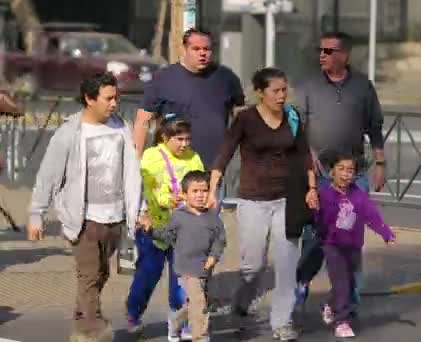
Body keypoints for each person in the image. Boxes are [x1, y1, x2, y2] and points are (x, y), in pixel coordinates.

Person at [26, 72, 143, 340]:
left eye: (116, 97)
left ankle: (81, 324)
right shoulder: (69, 132)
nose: (114, 103)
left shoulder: (120, 127)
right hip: (84, 219)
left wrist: (139, 209)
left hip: (116, 217)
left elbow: (131, 172)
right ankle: (94, 328)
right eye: (108, 98)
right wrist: (37, 213)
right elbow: (48, 175)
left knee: (101, 274)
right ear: (90, 99)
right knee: (88, 276)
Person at [207, 67, 317, 341]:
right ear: (260, 93)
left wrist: (312, 188)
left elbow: (304, 155)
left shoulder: (292, 116)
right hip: (253, 200)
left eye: (284, 90)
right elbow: (224, 153)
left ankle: (281, 322)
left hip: (287, 200)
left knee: (286, 264)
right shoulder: (245, 119)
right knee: (253, 265)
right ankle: (242, 300)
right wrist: (212, 188)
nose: (281, 96)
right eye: (275, 91)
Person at [294, 31, 386, 307]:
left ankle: (348, 293)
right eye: (320, 50)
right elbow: (298, 129)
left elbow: (375, 128)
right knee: (316, 235)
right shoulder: (308, 86)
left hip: (354, 174)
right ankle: (302, 278)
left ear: (344, 55)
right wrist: (309, 162)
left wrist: (380, 163)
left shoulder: (362, 86)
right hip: (319, 175)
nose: (322, 55)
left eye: (329, 51)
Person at [132, 28, 244, 206]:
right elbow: (142, 122)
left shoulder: (225, 78)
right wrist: (135, 161)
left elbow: (241, 119)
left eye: (206, 49)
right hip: (174, 170)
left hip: (213, 169)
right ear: (184, 49)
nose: (202, 54)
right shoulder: (163, 79)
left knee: (208, 226)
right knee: (176, 227)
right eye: (196, 49)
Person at [125, 114, 205, 341]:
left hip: (184, 230)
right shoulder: (151, 157)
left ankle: (179, 322)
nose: (185, 144)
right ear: (164, 137)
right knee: (148, 275)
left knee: (182, 280)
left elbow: (200, 182)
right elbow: (145, 187)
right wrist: (152, 207)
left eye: (188, 139)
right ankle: (134, 312)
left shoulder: (194, 157)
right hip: (153, 228)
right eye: (179, 139)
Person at [315, 152, 395, 338]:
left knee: (349, 282)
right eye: (341, 169)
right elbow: (318, 218)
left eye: (350, 170)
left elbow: (371, 215)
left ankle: (331, 306)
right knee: (341, 281)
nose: (345, 174)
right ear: (331, 172)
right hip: (333, 245)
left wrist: (386, 233)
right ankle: (342, 321)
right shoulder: (325, 194)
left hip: (353, 246)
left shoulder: (358, 195)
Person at [140, 170, 226, 342]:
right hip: (186, 269)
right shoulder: (179, 217)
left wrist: (214, 256)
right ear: (185, 195)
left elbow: (220, 239)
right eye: (195, 191)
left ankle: (176, 321)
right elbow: (166, 236)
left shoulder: (213, 218)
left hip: (205, 268)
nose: (200, 195)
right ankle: (200, 336)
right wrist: (150, 229)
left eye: (204, 191)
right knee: (199, 303)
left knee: (195, 303)